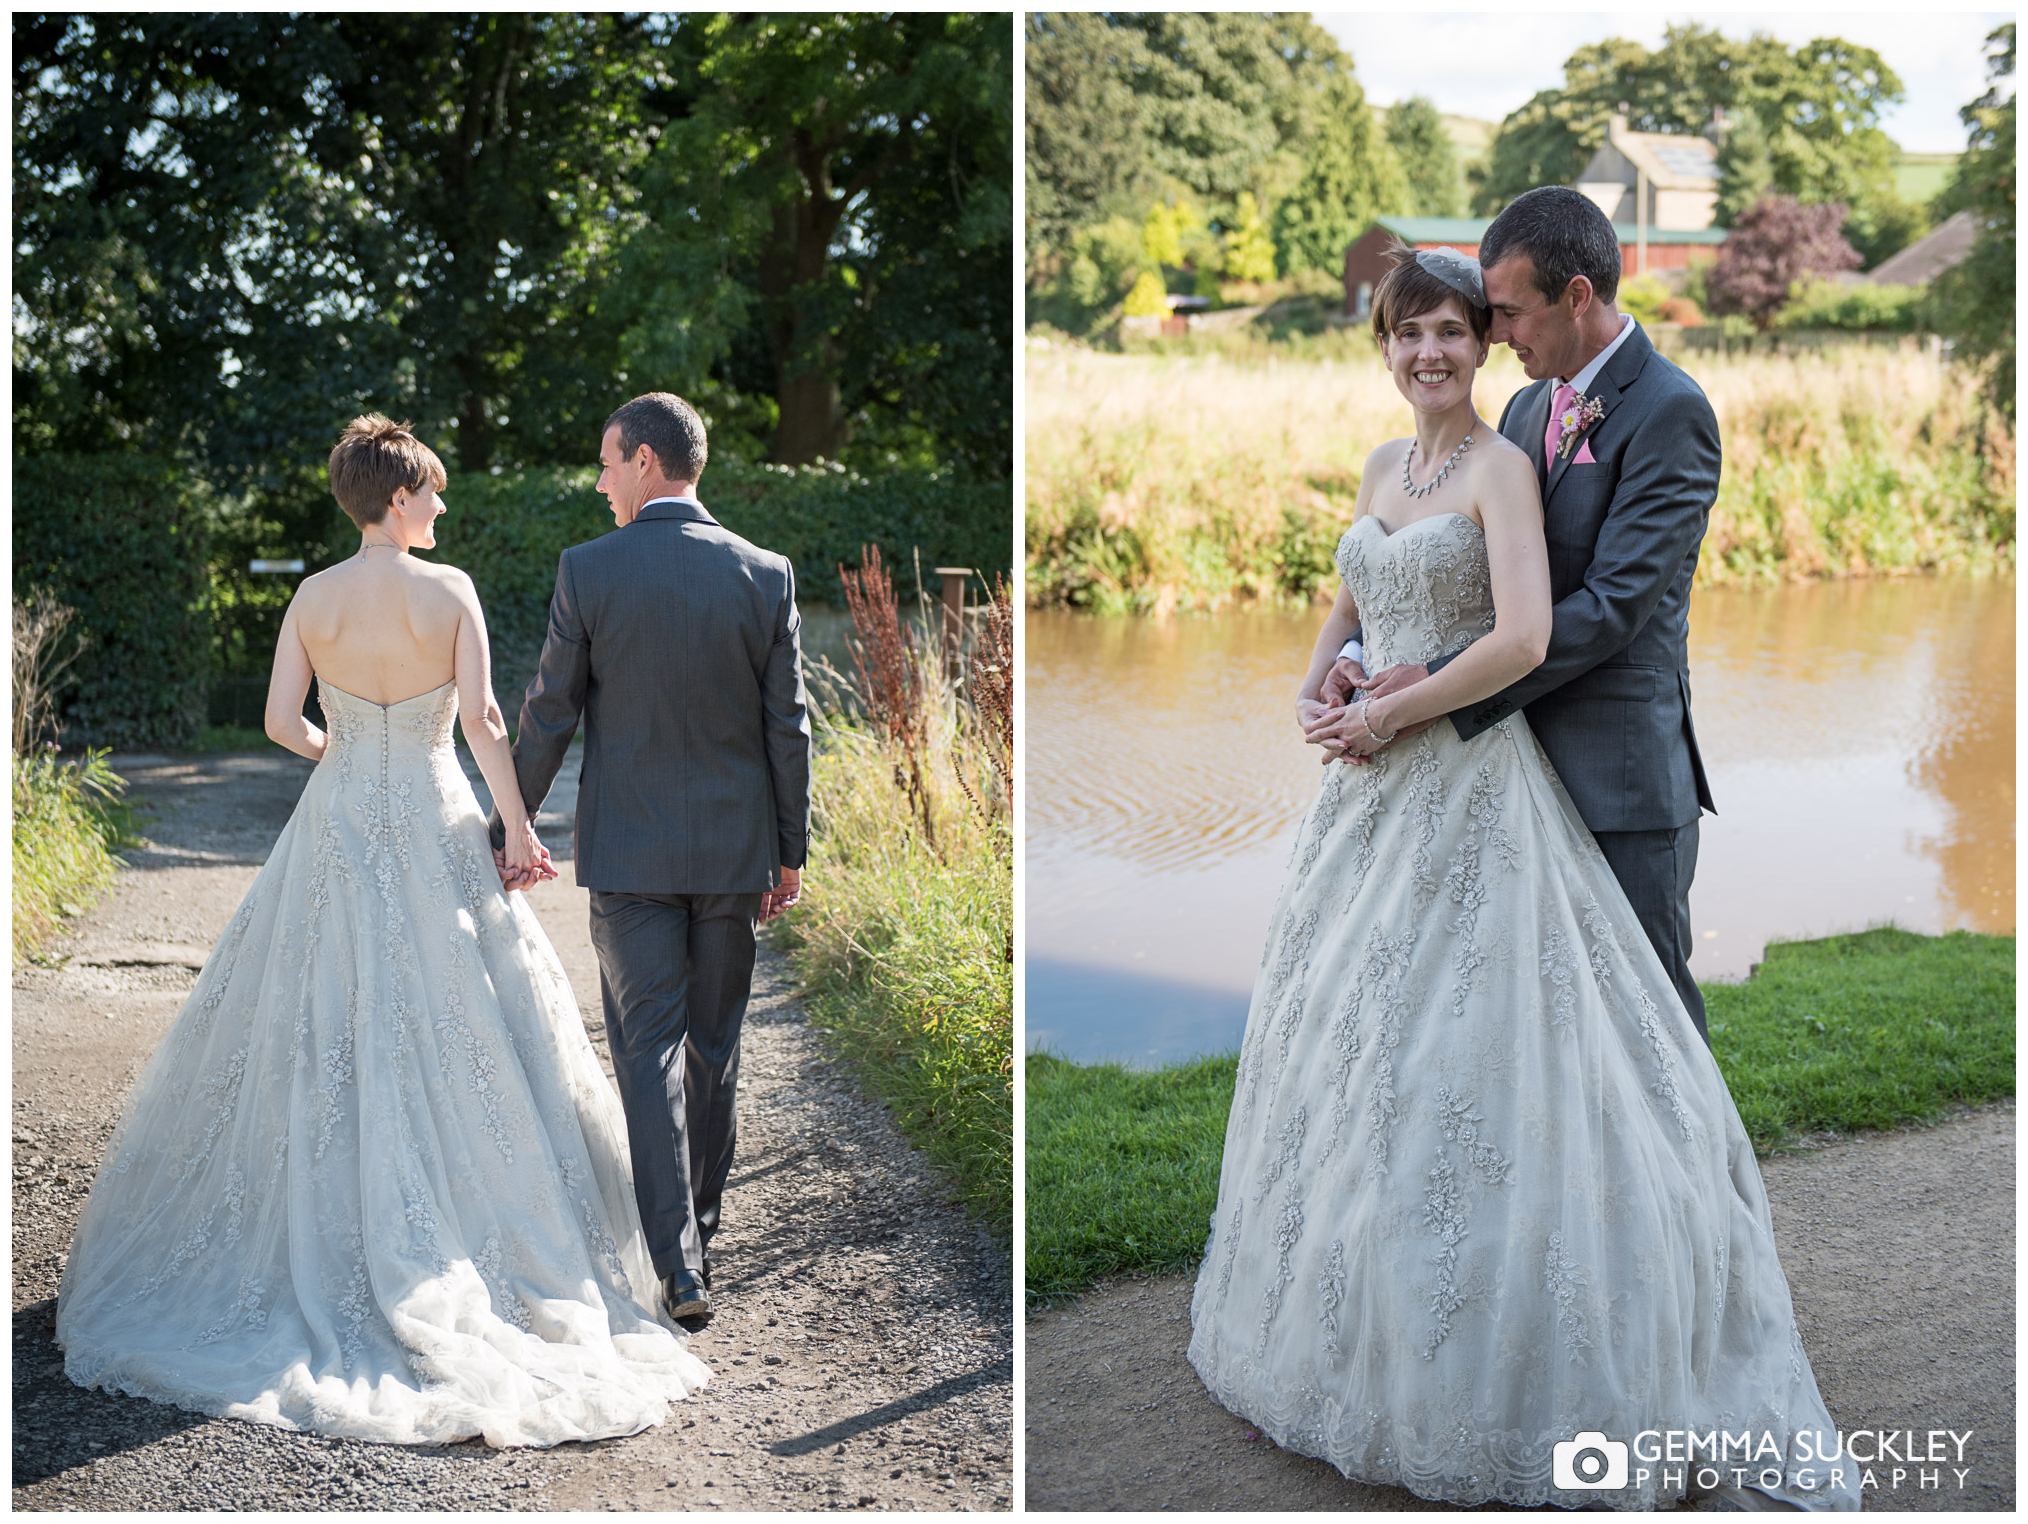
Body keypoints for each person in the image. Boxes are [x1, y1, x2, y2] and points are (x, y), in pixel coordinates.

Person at [1185, 242, 1859, 1512]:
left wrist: (1402, 709)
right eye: (1413, 333)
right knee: (1383, 1049)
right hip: (1377, 798)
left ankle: (1661, 1306)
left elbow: (1541, 628)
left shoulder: (1519, 456)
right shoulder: (1412, 458)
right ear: (1382, 346)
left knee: (1598, 1056)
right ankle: (1375, 1315)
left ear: (1499, 336)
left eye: (1461, 327)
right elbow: (1357, 592)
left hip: (1495, 769)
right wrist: (1321, 676)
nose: (1437, 349)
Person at [56, 415, 709, 1447]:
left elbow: (280, 722)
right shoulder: (446, 594)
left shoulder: (313, 597)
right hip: (436, 811)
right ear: (398, 499)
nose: (443, 507)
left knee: (318, 1005)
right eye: (434, 493)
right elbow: (488, 722)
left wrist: (346, 754)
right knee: (471, 1019)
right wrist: (517, 831)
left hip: (344, 814)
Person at [1323, 185, 1718, 1043]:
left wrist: (1431, 685)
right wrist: (1362, 647)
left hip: (1619, 776)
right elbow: (1467, 569)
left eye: (1507, 313)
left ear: (1577, 296)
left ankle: (1694, 1184)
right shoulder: (1528, 407)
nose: (1497, 335)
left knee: (1647, 1020)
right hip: (1506, 770)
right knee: (1536, 1029)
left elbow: (1613, 608)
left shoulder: (1670, 412)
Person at [487, 391, 812, 1335]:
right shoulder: (766, 574)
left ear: (645, 463)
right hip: (733, 855)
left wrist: (510, 824)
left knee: (646, 1051)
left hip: (628, 855)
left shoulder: (589, 571)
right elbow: (787, 727)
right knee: (714, 1049)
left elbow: (550, 711)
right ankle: (696, 1242)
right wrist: (790, 850)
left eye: (604, 461)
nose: (598, 480)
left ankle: (675, 1261)